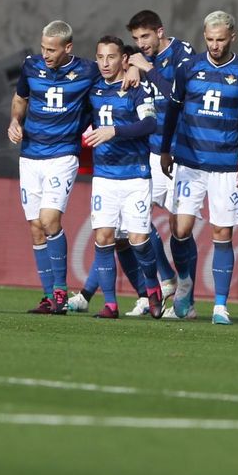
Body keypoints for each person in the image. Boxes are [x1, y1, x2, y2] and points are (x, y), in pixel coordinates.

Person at [159, 10, 238, 325]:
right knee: (180, 229)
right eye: (210, 39)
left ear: (232, 37)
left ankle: (220, 305)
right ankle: (185, 282)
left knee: (222, 233)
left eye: (221, 40)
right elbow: (172, 111)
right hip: (189, 161)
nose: (215, 45)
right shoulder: (188, 68)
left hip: (226, 166)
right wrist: (165, 149)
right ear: (204, 36)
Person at [8, 19, 96, 314]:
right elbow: (20, 98)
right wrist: (15, 121)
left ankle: (60, 290)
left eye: (52, 50)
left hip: (62, 155)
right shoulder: (31, 66)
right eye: (43, 48)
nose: (45, 54)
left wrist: (133, 68)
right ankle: (48, 297)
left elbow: (115, 75)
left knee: (49, 220)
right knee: (35, 227)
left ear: (67, 47)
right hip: (30, 155)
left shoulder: (88, 70)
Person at [75, 35, 164, 318]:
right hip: (104, 176)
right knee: (103, 238)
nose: (105, 63)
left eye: (111, 57)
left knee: (138, 240)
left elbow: (149, 124)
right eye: (100, 57)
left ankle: (153, 287)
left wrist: (114, 131)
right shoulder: (93, 89)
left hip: (135, 175)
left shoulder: (137, 88)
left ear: (124, 59)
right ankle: (110, 305)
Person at [121, 9, 193, 314]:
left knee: (180, 229)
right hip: (151, 150)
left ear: (160, 32)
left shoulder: (182, 54)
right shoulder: (140, 59)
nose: (141, 43)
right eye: (136, 38)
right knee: (134, 220)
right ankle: (166, 278)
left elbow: (180, 97)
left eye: (145, 36)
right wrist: (133, 68)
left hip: (180, 151)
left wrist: (146, 69)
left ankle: (186, 292)